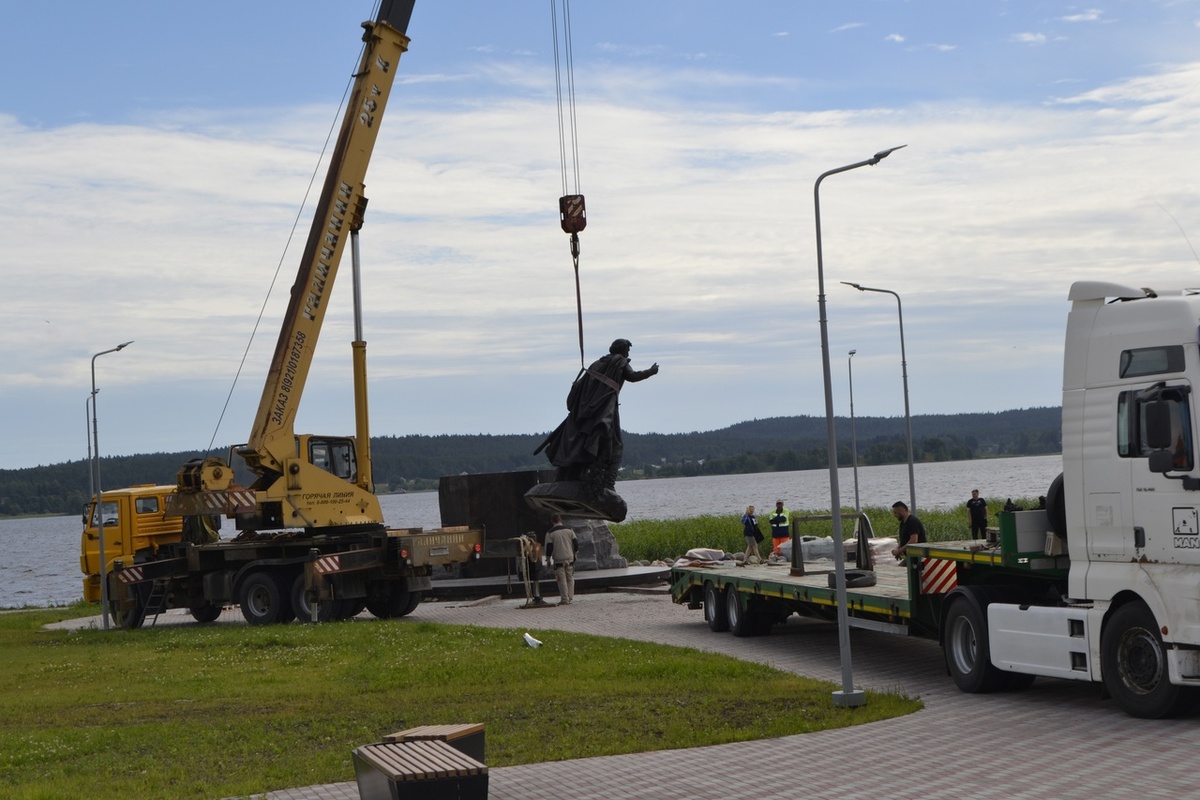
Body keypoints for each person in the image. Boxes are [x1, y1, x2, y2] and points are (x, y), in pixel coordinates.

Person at [534, 339, 659, 497]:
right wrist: (651, 371)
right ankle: (607, 484)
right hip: (604, 411)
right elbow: (632, 376)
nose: (628, 353)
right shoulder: (619, 362)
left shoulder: (596, 364)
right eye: (627, 349)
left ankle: (573, 477)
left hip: (587, 412)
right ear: (621, 350)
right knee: (615, 446)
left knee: (585, 443)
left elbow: (579, 387)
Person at [544, 514, 578, 605]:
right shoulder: (570, 530)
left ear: (552, 521)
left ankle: (564, 599)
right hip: (570, 558)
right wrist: (575, 554)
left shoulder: (550, 533)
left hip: (559, 560)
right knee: (570, 579)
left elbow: (549, 548)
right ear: (561, 520)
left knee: (561, 580)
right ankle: (570, 598)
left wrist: (548, 560)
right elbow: (576, 543)